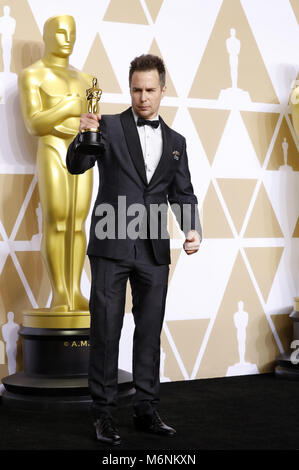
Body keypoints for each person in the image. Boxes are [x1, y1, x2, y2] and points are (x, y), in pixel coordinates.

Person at [66, 54, 202, 446]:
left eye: (150, 90)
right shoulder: (107, 125)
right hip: (111, 244)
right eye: (136, 90)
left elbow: (183, 192)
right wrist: (82, 136)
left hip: (155, 248)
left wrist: (192, 229)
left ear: (163, 90)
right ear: (130, 89)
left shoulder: (177, 142)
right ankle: (103, 414)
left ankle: (146, 408)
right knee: (106, 330)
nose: (143, 98)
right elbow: (77, 166)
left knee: (149, 332)